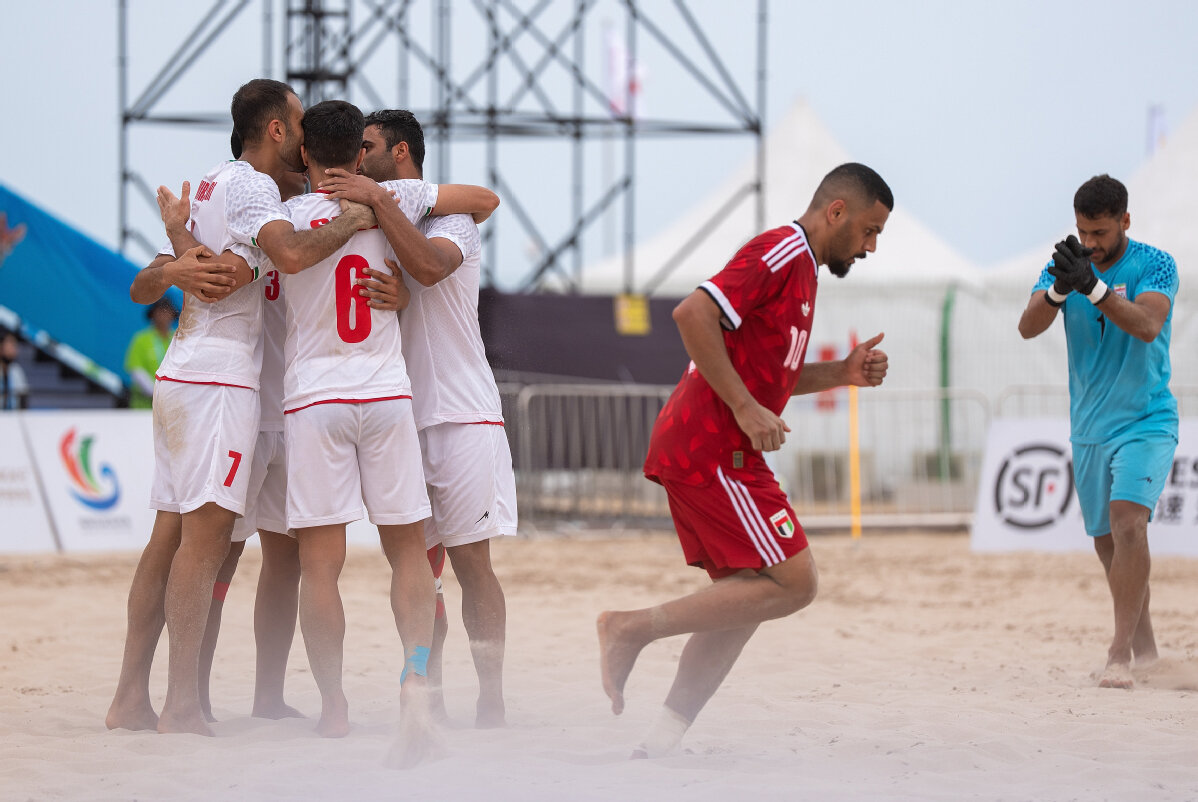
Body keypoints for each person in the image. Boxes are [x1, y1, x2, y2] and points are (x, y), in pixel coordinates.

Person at [108, 77, 378, 737]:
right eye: (297, 122)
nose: (306, 134)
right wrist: (354, 218)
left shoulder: (210, 184)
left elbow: (163, 278)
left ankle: (132, 698)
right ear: (279, 130)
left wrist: (180, 259)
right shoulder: (257, 188)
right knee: (204, 549)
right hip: (223, 383)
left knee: (172, 542)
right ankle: (180, 706)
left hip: (186, 373)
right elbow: (279, 253)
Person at [595, 162, 893, 758]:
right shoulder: (782, 250)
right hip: (712, 447)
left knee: (749, 594)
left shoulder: (805, 270)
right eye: (868, 230)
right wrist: (745, 407)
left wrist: (841, 373)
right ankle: (626, 628)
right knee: (795, 581)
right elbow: (690, 314)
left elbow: (770, 377)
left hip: (713, 447)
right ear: (836, 211)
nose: (870, 246)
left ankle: (660, 743)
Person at [274, 100, 495, 753]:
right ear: (360, 152)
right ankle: (416, 679)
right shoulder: (395, 195)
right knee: (408, 553)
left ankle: (335, 708)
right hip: (388, 392)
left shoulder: (287, 217)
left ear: (307, 153)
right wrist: (379, 200)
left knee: (320, 565)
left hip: (315, 397)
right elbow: (483, 200)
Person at [321, 107, 515, 728]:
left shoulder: (454, 220)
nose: (358, 156)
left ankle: (492, 697)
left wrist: (380, 202)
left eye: (368, 146)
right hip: (403, 416)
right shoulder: (374, 223)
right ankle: (426, 690)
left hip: (464, 415)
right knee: (418, 572)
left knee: (472, 566)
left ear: (399, 153)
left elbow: (430, 268)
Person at [1017, 174, 1178, 689]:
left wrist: (1096, 288)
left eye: (1101, 233)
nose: (1090, 243)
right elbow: (1027, 327)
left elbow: (1148, 325)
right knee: (1110, 545)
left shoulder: (1156, 263)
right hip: (1088, 426)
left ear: (1125, 222)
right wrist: (1062, 288)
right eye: (1084, 232)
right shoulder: (1066, 266)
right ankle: (1146, 648)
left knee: (1130, 524)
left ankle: (1119, 654)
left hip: (1146, 419)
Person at [125, 299, 177, 409]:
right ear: (152, 314)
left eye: (167, 311)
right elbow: (136, 370)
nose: (163, 315)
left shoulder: (178, 340)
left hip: (172, 406)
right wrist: (156, 393)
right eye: (160, 311)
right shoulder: (141, 339)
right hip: (144, 406)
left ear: (173, 314)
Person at [1, 331, 30, 410]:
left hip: (12, 418)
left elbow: (23, 397)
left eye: (15, 346)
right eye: (10, 346)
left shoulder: (16, 371)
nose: (14, 350)